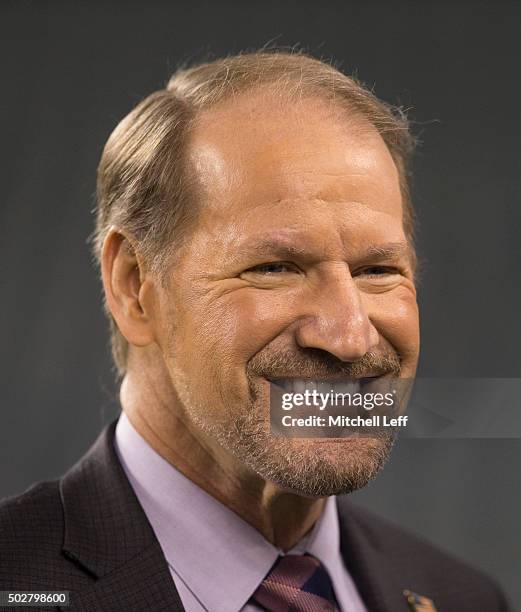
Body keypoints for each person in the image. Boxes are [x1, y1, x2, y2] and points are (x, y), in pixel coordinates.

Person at [0, 51, 510, 612]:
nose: (350, 337)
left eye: (377, 271)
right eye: (275, 268)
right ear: (134, 286)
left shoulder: (467, 598)